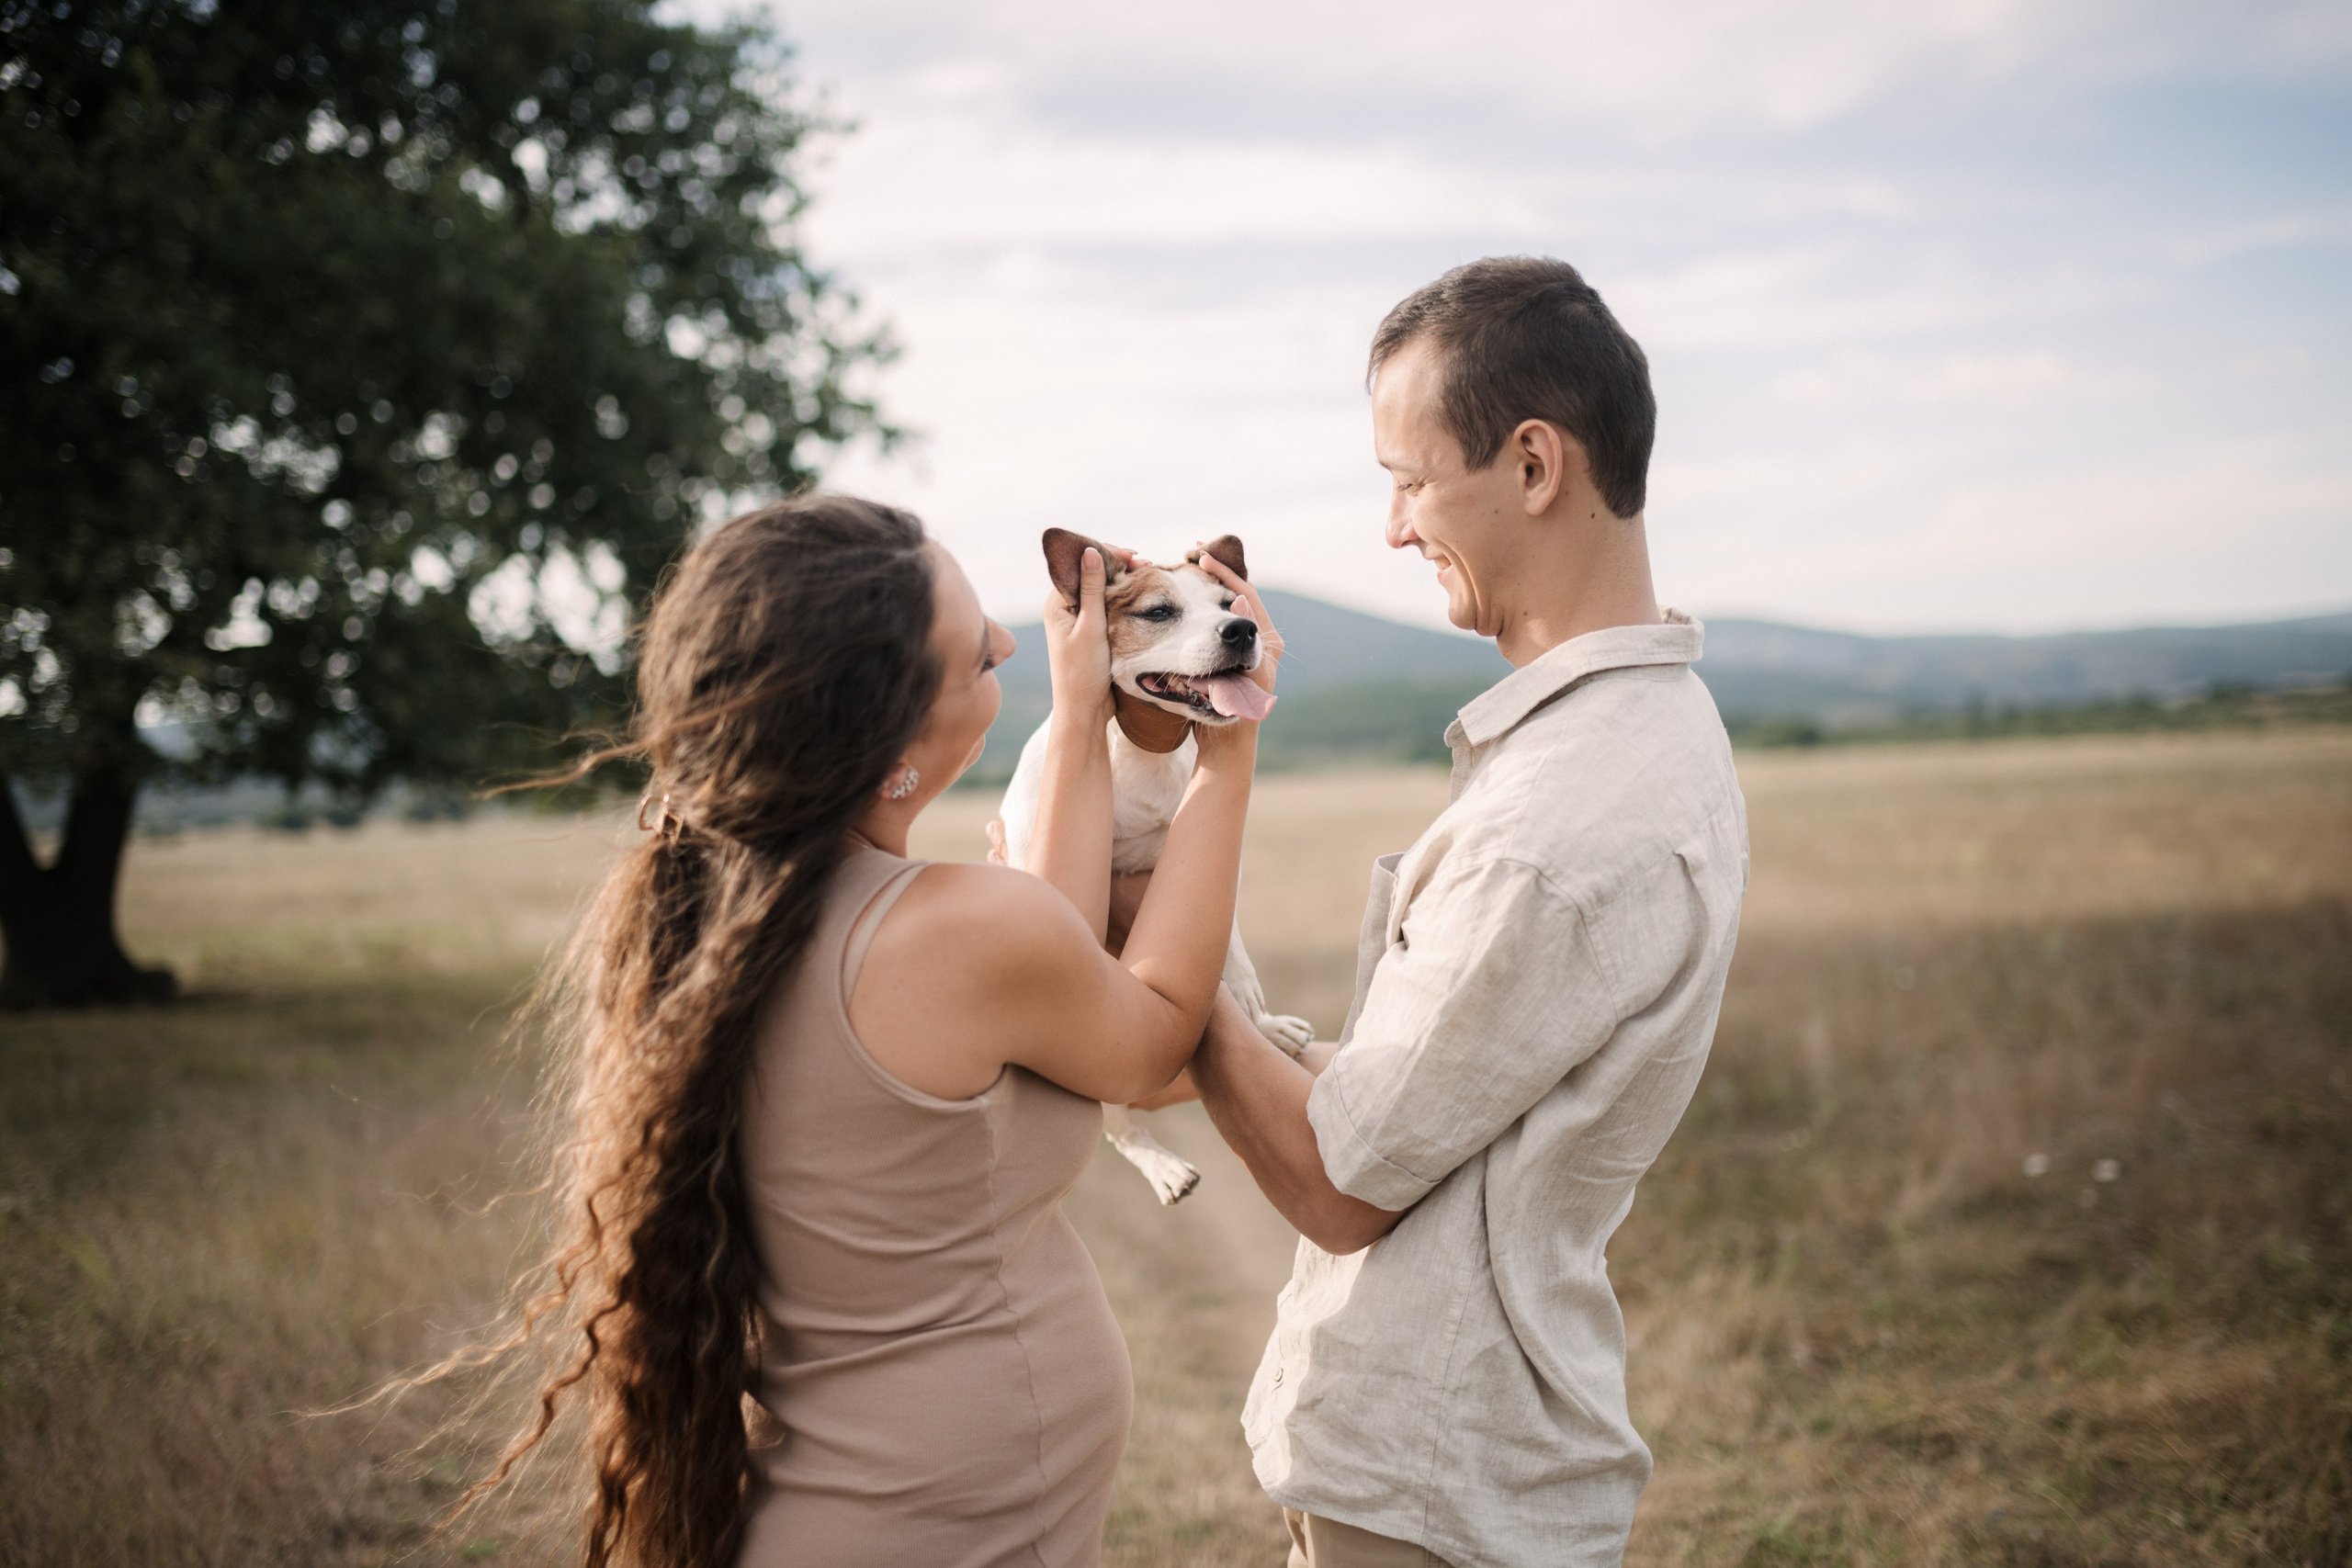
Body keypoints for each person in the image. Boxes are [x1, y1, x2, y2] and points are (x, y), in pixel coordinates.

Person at [447, 495, 1278, 1568]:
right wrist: (1228, 751)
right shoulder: (960, 929)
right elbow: (1149, 1038)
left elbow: (1062, 949)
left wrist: (1080, 719)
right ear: (889, 731)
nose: (1014, 643)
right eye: (978, 653)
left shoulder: (747, 920)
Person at [1183, 257, 1749, 1567]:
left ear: (1534, 465)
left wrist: (1178, 981)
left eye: (1409, 479)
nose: (1392, 528)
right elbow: (1441, 1093)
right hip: (1473, 1467)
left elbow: (1341, 1182)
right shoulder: (1660, 728)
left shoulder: (1554, 820)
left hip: (1435, 1489)